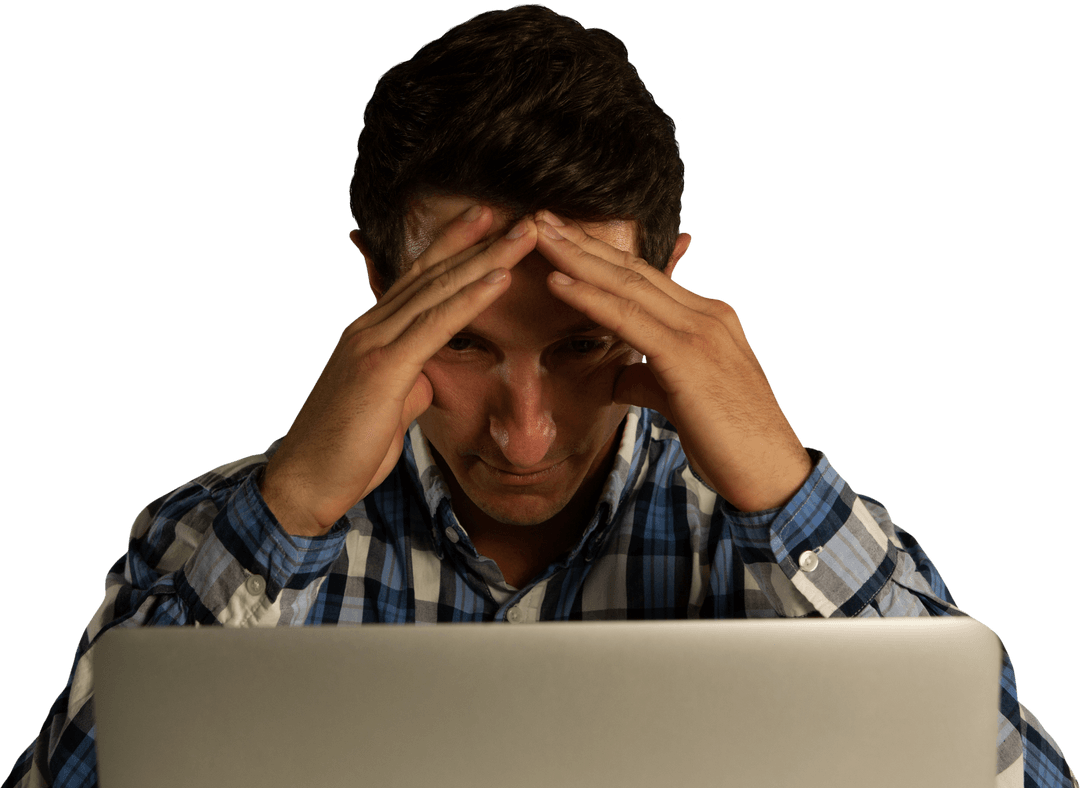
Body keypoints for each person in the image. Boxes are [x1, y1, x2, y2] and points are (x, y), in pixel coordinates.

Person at [4, 5, 1075, 787]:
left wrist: (785, 494)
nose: (525, 436)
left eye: (582, 345)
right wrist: (285, 511)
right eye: (464, 342)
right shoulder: (210, 539)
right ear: (379, 284)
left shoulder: (795, 554)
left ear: (663, 292)